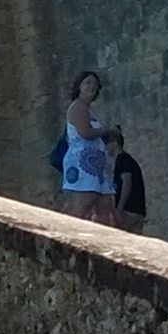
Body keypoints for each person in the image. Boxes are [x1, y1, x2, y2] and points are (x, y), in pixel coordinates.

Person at [59, 70, 115, 223]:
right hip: (83, 164)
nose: (92, 87)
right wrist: (106, 131)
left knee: (104, 204)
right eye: (88, 83)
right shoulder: (77, 107)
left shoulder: (88, 110)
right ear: (79, 86)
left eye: (95, 84)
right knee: (84, 202)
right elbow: (85, 132)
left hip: (96, 166)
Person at [104, 127, 147, 234]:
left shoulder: (122, 159)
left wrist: (119, 208)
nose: (105, 148)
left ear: (114, 142)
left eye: (106, 144)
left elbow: (127, 183)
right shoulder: (127, 159)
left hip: (129, 210)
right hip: (136, 210)